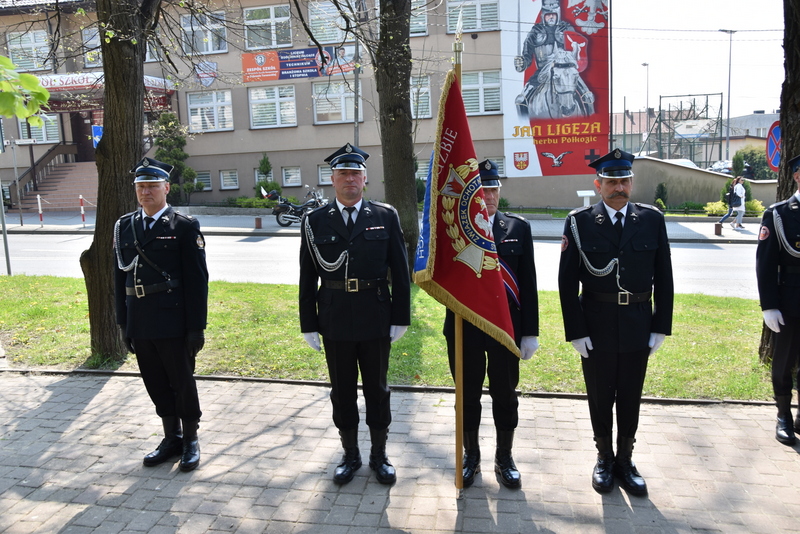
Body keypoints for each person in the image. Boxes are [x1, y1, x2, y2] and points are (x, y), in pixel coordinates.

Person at [558, 149, 674, 496]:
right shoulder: (578, 223)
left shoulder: (652, 219)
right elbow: (567, 282)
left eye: (624, 181)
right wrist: (575, 331)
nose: (619, 187)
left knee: (630, 396)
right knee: (599, 395)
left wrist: (660, 325)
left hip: (638, 322)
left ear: (631, 183)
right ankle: (604, 458)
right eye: (611, 182)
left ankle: (626, 459)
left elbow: (664, 276)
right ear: (598, 185)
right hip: (596, 324)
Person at [299, 143, 411, 485]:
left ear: (365, 179)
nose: (350, 179)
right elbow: (307, 276)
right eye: (343, 174)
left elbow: (400, 271)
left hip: (375, 315)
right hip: (334, 318)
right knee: (342, 390)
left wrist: (401, 317)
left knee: (377, 389)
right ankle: (350, 454)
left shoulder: (384, 216)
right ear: (332, 180)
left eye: (355, 174)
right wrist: (308, 324)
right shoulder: (314, 221)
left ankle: (379, 455)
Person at [442, 160, 539, 489]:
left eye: (495, 189)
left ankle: (504, 456)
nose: (490, 196)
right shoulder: (453, 230)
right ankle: (471, 456)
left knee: (505, 395)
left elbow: (528, 285)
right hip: (464, 325)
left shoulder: (518, 228)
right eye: (483, 190)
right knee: (467, 396)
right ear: (472, 195)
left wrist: (530, 333)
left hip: (505, 328)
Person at [114, 157, 209, 472]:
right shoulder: (125, 226)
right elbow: (119, 278)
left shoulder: (183, 226)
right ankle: (171, 438)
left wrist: (196, 328)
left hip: (174, 320)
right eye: (141, 186)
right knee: (154, 381)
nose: (146, 192)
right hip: (140, 319)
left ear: (166, 188)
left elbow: (198, 282)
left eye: (152, 186)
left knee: (181, 381)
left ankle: (191, 439)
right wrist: (123, 323)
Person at [755, 154, 800, 446]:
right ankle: (783, 415)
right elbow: (766, 263)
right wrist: (768, 304)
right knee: (784, 362)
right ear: (797, 176)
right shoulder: (779, 214)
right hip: (790, 300)